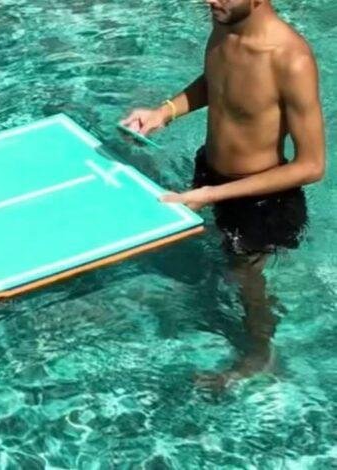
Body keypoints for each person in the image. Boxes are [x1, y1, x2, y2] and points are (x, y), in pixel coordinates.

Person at [121, 0, 325, 390]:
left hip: (261, 200)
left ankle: (260, 354)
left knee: (245, 279)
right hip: (212, 176)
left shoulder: (291, 60)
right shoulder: (225, 23)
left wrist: (213, 194)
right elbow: (219, 81)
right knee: (221, 259)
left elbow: (312, 165)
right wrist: (165, 112)